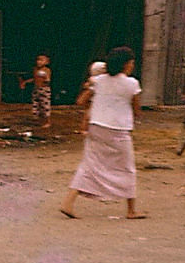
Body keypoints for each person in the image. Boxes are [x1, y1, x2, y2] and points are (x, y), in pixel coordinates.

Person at [60, 46, 146, 220]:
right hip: (119, 129)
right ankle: (131, 210)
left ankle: (68, 202)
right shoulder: (132, 84)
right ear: (126, 65)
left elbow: (81, 101)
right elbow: (137, 110)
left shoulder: (99, 80)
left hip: (97, 126)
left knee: (89, 164)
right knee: (126, 167)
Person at [19, 53, 52, 129]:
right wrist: (25, 82)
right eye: (38, 60)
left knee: (45, 106)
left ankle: (47, 121)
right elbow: (34, 79)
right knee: (37, 105)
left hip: (44, 89)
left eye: (42, 60)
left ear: (47, 62)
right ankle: (40, 121)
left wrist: (46, 78)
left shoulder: (46, 70)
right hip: (36, 89)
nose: (39, 62)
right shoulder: (35, 69)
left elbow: (48, 79)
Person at [78, 61, 107, 133]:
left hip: (98, 103)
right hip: (94, 102)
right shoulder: (95, 81)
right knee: (88, 116)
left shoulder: (95, 80)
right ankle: (84, 129)